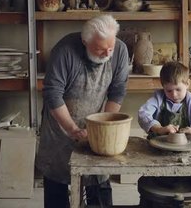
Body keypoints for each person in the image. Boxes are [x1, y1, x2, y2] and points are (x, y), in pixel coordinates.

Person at [36, 14, 129, 208]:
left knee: (98, 178)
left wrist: (105, 125)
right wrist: (71, 128)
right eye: (100, 49)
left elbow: (117, 90)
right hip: (60, 126)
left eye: (109, 48)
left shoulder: (119, 50)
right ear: (85, 41)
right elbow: (52, 93)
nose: (106, 54)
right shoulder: (65, 51)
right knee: (57, 183)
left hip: (94, 124)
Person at [138, 61, 191, 138]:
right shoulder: (159, 97)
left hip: (184, 145)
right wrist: (159, 129)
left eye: (178, 89)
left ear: (187, 84)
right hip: (158, 144)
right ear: (163, 86)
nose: (174, 95)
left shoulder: (190, 101)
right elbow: (143, 114)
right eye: (169, 90)